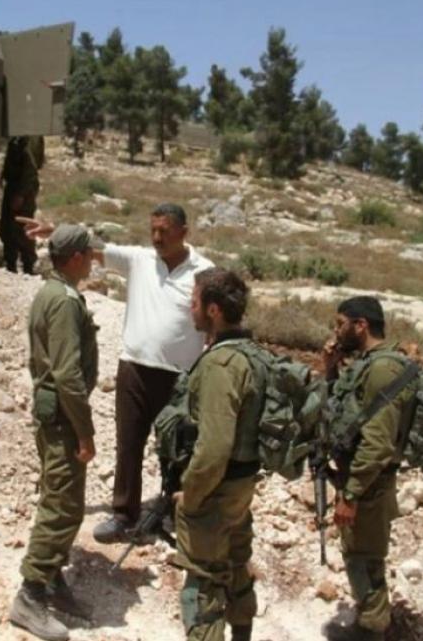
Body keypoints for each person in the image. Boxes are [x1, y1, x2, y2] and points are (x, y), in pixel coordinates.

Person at [19, 204, 214, 543]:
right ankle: (124, 514)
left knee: (178, 447)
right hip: (134, 369)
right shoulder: (139, 259)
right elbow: (94, 249)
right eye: (153, 230)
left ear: (184, 232)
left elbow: (214, 316)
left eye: (164, 231)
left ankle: (177, 512)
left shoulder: (205, 271)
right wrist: (56, 232)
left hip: (181, 377)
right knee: (128, 444)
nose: (156, 238)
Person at [9, 224, 102, 641]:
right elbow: (67, 374)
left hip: (55, 414)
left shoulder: (52, 291)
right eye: (90, 253)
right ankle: (29, 594)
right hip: (63, 417)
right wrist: (86, 432)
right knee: (62, 506)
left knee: (61, 498)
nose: (94, 259)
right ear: (76, 258)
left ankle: (50, 578)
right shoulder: (63, 301)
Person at [172, 268, 259, 641]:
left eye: (194, 302)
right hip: (241, 485)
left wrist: (190, 495)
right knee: (237, 563)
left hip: (217, 489)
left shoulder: (221, 365)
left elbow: (213, 448)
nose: (189, 309)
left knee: (203, 584)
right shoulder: (251, 353)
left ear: (213, 310)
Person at [322, 296, 413, 641]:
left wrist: (351, 494)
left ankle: (372, 630)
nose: (336, 331)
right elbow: (340, 412)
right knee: (358, 554)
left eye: (340, 324)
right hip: (363, 480)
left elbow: (378, 443)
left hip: (369, 484)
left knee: (365, 559)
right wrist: (330, 369)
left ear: (360, 326)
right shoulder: (368, 364)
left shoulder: (381, 369)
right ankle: (372, 620)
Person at [0, 136, 45, 274]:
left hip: (21, 188)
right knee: (9, 227)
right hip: (17, 186)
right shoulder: (22, 137)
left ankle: (26, 266)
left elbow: (30, 170)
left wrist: (20, 194)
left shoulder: (25, 139)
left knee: (21, 228)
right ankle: (13, 264)